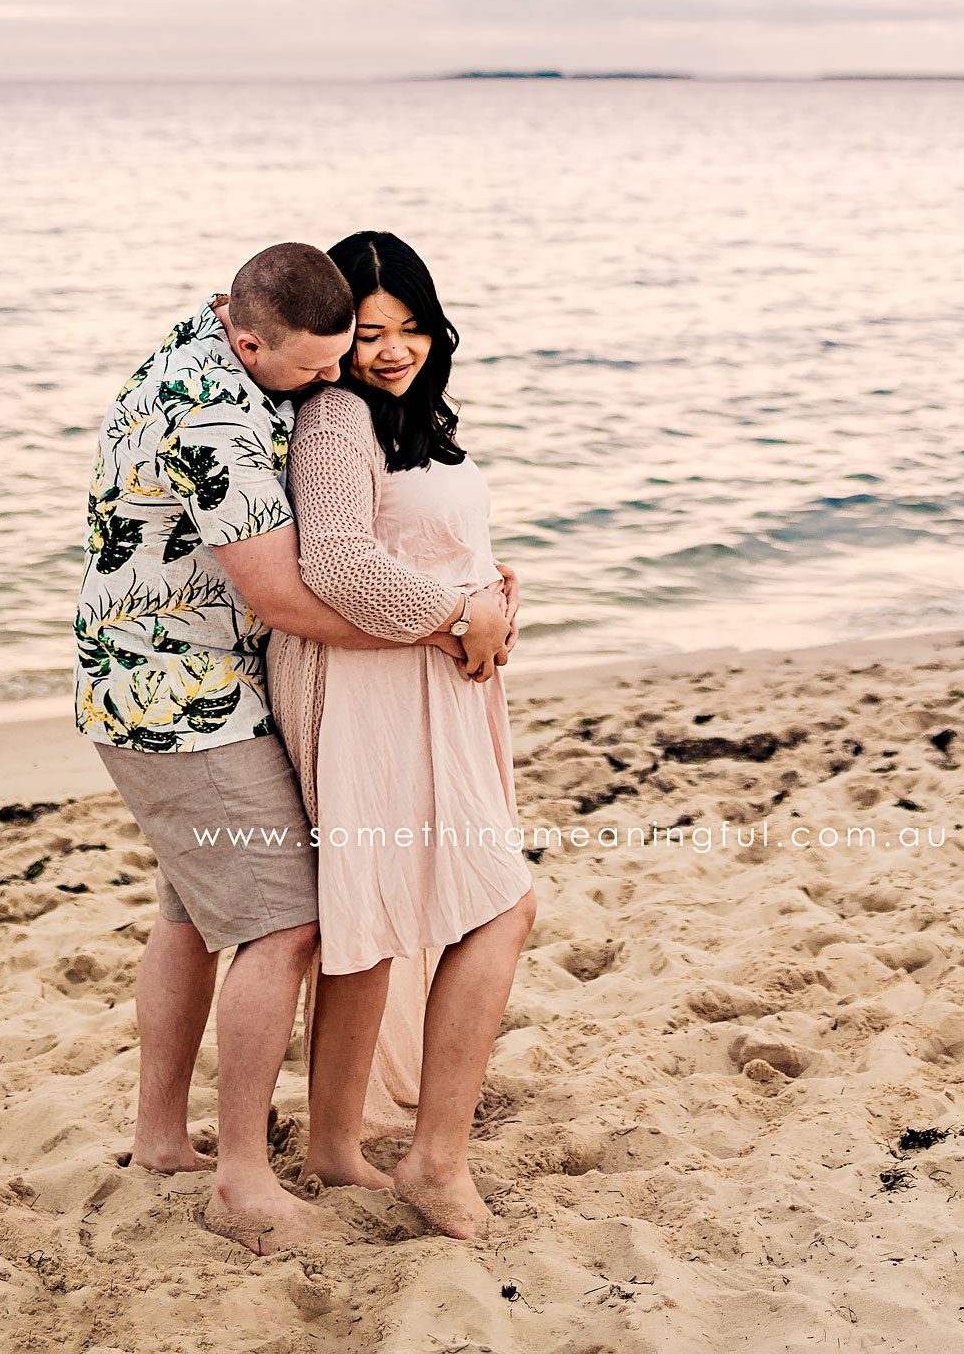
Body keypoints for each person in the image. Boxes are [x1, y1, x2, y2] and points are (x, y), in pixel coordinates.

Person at [71, 240, 499, 1257]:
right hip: (184, 699)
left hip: (156, 684)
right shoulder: (216, 416)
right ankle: (242, 1179)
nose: (328, 385)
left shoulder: (213, 331)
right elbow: (284, 593)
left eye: (339, 358)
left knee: (189, 911)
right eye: (311, 369)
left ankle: (160, 1138)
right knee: (288, 924)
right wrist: (450, 624)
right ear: (249, 335)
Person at [268, 230, 536, 1242]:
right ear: (335, 334)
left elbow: (430, 542)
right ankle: (433, 1156)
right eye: (371, 331)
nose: (393, 351)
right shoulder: (337, 416)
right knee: (500, 906)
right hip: (375, 691)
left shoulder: (406, 418)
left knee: (376, 922)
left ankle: (336, 1148)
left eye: (412, 328)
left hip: (434, 683)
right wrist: (459, 617)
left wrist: (493, 604)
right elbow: (335, 562)